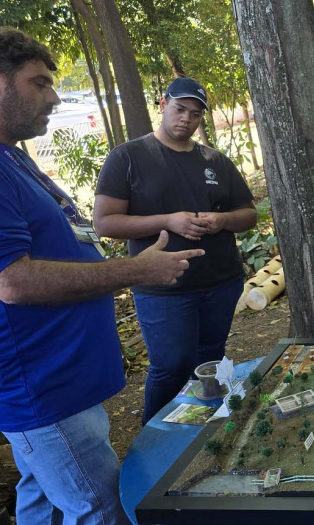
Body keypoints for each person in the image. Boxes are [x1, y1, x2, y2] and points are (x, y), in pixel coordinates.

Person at [0, 27, 203, 525]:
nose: (54, 97)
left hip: (57, 378)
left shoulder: (1, 152)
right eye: (39, 83)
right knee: (103, 509)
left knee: (44, 499)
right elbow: (11, 281)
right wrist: (136, 269)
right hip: (38, 387)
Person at [94, 77, 257, 424]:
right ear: (163, 104)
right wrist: (169, 221)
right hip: (163, 288)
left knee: (210, 361)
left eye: (195, 114)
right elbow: (105, 223)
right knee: (171, 366)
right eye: (180, 109)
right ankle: (154, 437)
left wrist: (223, 220)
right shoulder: (129, 157)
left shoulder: (216, 161)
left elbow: (248, 214)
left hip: (220, 281)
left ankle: (203, 431)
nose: (186, 119)